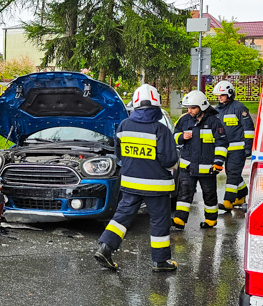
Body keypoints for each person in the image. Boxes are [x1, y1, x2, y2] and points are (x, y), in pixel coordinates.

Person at [94, 84, 179, 272]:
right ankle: (160, 261)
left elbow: (120, 155)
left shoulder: (124, 125)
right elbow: (169, 160)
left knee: (121, 217)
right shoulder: (161, 129)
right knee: (159, 221)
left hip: (130, 182)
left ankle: (105, 248)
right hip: (157, 186)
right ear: (156, 106)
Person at [172, 90, 228, 229]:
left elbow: (221, 143)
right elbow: (174, 136)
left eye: (193, 108)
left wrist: (218, 163)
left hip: (208, 169)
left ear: (202, 107)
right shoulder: (183, 120)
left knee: (209, 194)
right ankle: (179, 219)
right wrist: (181, 137)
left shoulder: (214, 122)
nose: (189, 111)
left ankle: (210, 220)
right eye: (188, 108)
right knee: (184, 193)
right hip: (187, 167)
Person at [213, 80, 255, 211]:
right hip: (223, 148)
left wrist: (248, 147)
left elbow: (248, 129)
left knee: (232, 174)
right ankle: (242, 194)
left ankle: (228, 201)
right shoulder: (216, 111)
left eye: (222, 95)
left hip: (238, 149)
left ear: (230, 94)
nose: (219, 98)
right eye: (218, 95)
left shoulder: (239, 108)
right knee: (234, 173)